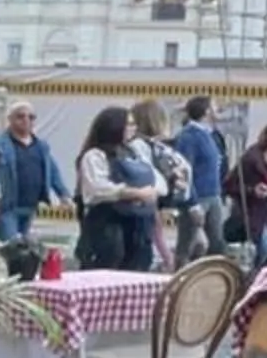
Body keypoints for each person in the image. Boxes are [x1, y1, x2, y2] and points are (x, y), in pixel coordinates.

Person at [77, 107, 161, 272]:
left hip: (138, 227)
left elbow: (158, 180)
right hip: (107, 224)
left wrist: (153, 191)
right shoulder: (95, 155)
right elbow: (97, 189)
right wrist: (133, 193)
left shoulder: (135, 153)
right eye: (129, 124)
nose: (134, 128)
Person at [0, 100, 73, 244]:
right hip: (7, 206)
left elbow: (52, 171)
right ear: (10, 119)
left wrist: (64, 195)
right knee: (11, 246)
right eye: (20, 116)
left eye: (31, 117)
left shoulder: (41, 146)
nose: (26, 120)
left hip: (30, 206)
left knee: (24, 248)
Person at [128, 98, 190, 269]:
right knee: (155, 232)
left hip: (151, 196)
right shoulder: (141, 145)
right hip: (148, 196)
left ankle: (168, 262)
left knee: (157, 231)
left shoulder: (152, 145)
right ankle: (169, 263)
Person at [170, 95, 230, 265]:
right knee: (188, 243)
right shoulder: (189, 137)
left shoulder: (209, 135)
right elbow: (184, 170)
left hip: (213, 195)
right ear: (206, 111)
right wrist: (192, 203)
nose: (217, 110)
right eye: (214, 106)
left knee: (217, 242)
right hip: (198, 197)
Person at [226, 121, 267, 266]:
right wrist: (252, 190)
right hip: (254, 215)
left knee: (265, 256)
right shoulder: (252, 157)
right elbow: (230, 185)